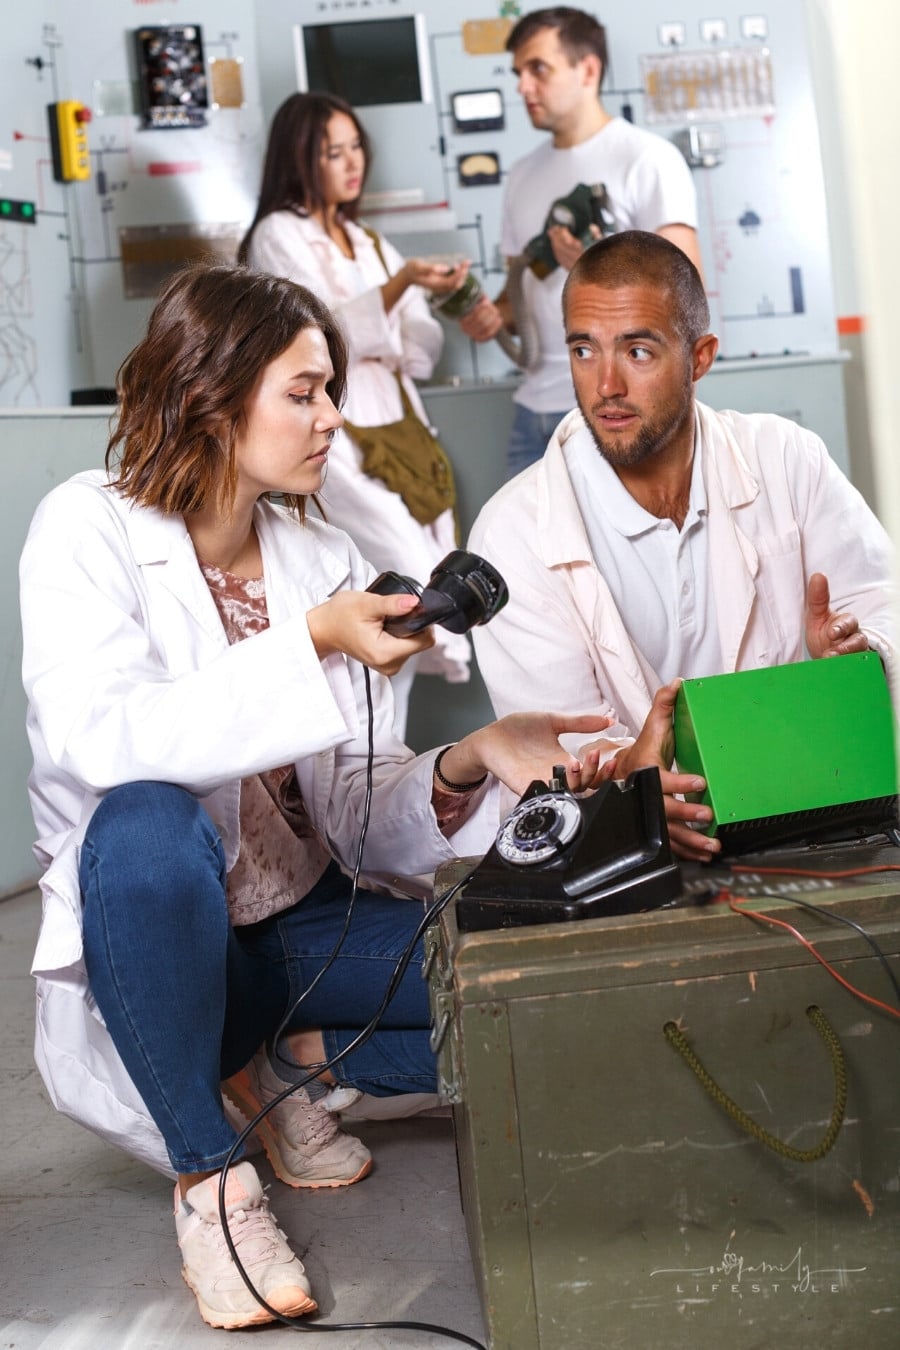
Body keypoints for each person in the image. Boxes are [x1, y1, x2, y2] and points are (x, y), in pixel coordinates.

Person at [19, 262, 618, 1331]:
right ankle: (213, 1180)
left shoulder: (319, 552)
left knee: (518, 994)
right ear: (210, 392)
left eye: (332, 389)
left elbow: (341, 810)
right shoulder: (84, 529)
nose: (333, 417)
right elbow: (97, 740)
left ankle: (293, 1065)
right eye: (304, 392)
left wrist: (468, 756)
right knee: (146, 825)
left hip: (295, 928)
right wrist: (304, 644)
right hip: (166, 942)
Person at [468, 230, 896, 862]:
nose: (606, 384)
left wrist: (855, 657)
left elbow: (882, 607)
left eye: (637, 351)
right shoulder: (513, 534)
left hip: (806, 808)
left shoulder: (786, 460)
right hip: (635, 858)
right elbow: (561, 750)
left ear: (700, 357)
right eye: (584, 349)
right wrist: (635, 791)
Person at [238, 91, 471, 738]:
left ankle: (385, 756)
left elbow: (420, 345)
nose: (350, 162)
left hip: (399, 418)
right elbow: (318, 335)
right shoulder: (278, 235)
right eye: (331, 151)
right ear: (299, 159)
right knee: (393, 572)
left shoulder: (369, 240)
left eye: (355, 148)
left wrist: (398, 312)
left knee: (424, 579)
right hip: (337, 424)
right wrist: (395, 295)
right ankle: (370, 757)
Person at [459, 6, 701, 480]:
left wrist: (600, 264)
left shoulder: (648, 159)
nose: (522, 87)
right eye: (518, 74)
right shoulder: (522, 176)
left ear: (587, 69)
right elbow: (519, 294)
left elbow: (687, 293)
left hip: (624, 414)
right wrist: (494, 316)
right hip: (536, 416)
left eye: (538, 70)